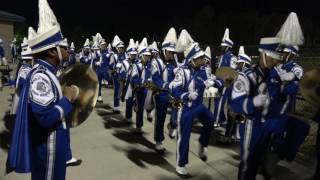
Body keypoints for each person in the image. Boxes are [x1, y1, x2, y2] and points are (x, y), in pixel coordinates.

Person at [6, 0, 79, 179]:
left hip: (55, 148)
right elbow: (45, 118)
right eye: (64, 48)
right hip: (48, 150)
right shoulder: (40, 76)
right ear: (53, 52)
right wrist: (67, 98)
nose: (68, 52)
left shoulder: (49, 72)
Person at [171, 30, 222, 177]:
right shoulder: (183, 72)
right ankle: (181, 165)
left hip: (199, 106)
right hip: (185, 108)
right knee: (184, 137)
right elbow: (173, 89)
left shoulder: (204, 70)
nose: (203, 60)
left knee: (211, 119)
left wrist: (214, 82)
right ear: (192, 59)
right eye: (200, 58)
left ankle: (202, 143)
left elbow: (218, 82)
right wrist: (187, 95)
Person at [152, 27, 178, 153]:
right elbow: (155, 78)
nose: (171, 54)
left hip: (172, 94)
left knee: (176, 116)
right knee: (160, 118)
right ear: (164, 50)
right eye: (169, 52)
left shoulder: (175, 62)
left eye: (173, 52)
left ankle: (172, 125)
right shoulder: (156, 62)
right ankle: (159, 141)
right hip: (161, 94)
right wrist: (166, 85)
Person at [109, 35, 127, 113]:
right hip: (117, 76)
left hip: (125, 76)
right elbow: (110, 66)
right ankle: (116, 107)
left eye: (122, 48)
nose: (121, 49)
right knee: (117, 92)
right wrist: (115, 66)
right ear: (117, 48)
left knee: (125, 91)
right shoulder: (115, 56)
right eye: (119, 48)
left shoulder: (126, 55)